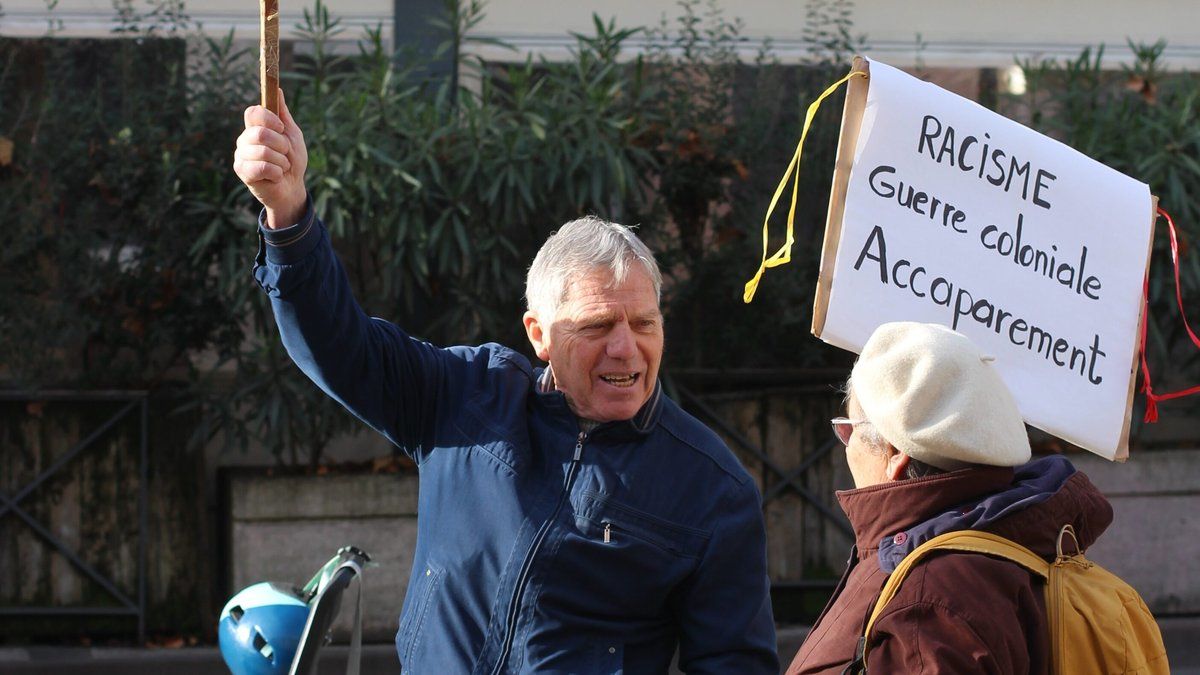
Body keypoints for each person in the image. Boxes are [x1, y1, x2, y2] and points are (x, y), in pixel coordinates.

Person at [233, 92, 778, 674]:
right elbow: (338, 345)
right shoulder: (465, 395)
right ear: (538, 334)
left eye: (644, 323)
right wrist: (288, 216)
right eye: (596, 326)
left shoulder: (712, 488)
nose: (627, 347)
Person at [786, 321, 1114, 675]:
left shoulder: (929, 600)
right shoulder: (1005, 547)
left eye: (848, 429)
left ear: (896, 453)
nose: (846, 446)